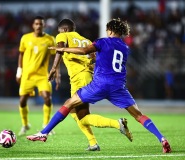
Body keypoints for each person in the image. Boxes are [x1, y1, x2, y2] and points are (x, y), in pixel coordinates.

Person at [27, 18, 171, 153]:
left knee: (69, 103)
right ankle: (162, 138)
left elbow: (84, 51)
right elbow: (100, 59)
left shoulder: (102, 42)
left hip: (99, 84)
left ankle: (43, 133)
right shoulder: (125, 48)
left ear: (109, 30)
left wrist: (63, 50)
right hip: (118, 86)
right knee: (139, 115)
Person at [46, 18, 131, 151]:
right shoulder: (86, 40)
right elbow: (95, 58)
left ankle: (116, 124)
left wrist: (54, 68)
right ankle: (93, 143)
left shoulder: (62, 35)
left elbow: (59, 49)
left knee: (80, 114)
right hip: (87, 76)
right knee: (76, 114)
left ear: (64, 29)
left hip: (78, 78)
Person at [16, 16, 60, 136]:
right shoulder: (25, 38)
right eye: (36, 24)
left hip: (42, 76)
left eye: (40, 24)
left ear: (43, 26)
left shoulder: (50, 39)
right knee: (22, 100)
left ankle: (46, 125)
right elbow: (20, 54)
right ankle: (25, 125)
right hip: (27, 75)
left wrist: (56, 72)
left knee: (47, 98)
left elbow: (55, 57)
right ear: (33, 25)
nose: (38, 26)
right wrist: (19, 71)